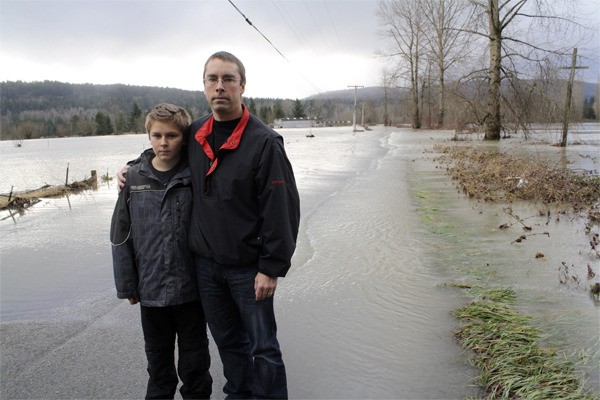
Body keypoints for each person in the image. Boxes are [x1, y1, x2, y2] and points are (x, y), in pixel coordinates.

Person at [119, 51, 300, 399]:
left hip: (249, 269)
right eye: (212, 79)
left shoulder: (264, 142)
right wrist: (133, 166)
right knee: (229, 344)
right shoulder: (197, 132)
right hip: (206, 269)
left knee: (263, 347)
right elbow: (162, 150)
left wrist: (271, 267)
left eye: (228, 79)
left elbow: (283, 209)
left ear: (242, 86)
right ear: (204, 87)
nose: (220, 87)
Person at [110, 103, 212, 400]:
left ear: (184, 136)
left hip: (191, 290)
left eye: (171, 135)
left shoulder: (195, 175)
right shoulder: (134, 180)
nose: (163, 142)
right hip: (151, 292)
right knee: (159, 368)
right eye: (157, 135)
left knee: (195, 367)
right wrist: (127, 284)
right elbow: (120, 235)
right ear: (148, 136)